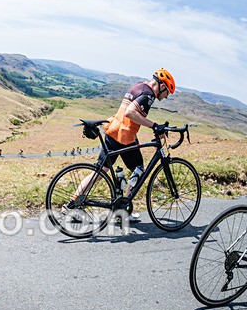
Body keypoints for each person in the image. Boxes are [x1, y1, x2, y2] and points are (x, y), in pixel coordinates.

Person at [66, 68, 175, 221]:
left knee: (99, 171)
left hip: (113, 131)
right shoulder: (149, 94)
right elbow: (130, 112)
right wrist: (154, 126)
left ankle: (72, 204)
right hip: (125, 138)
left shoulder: (138, 86)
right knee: (139, 170)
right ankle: (123, 211)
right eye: (167, 93)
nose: (165, 97)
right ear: (162, 85)